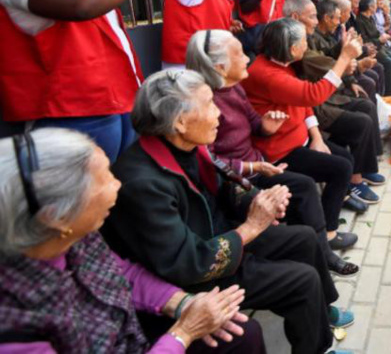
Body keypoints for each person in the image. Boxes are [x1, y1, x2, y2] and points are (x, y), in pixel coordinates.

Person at [103, 69, 354, 354]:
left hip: (217, 238)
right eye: (209, 105)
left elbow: (226, 187)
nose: (218, 115)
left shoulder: (185, 146)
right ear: (181, 122)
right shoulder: (142, 184)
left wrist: (259, 201)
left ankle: (322, 314)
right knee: (302, 281)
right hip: (195, 275)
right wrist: (250, 228)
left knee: (304, 238)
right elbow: (187, 263)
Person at [0, 128, 264, 353]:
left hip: (129, 330)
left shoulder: (74, 236)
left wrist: (183, 303)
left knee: (242, 332)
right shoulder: (16, 327)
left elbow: (119, 271)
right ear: (55, 216)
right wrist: (182, 334)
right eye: (103, 179)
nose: (117, 184)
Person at [185, 30, 360, 277]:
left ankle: (318, 249)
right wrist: (253, 167)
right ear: (220, 67)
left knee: (313, 183)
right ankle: (319, 252)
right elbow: (209, 160)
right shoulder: (212, 100)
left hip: (260, 163)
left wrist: (265, 125)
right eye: (240, 54)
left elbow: (256, 121)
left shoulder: (234, 87)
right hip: (240, 177)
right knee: (305, 187)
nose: (247, 58)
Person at [0, 0, 159, 162]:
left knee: (117, 188)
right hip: (74, 113)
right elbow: (80, 8)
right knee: (84, 197)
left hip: (115, 103)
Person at [242, 17, 375, 220]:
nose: (308, 43)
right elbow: (313, 94)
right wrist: (344, 58)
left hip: (299, 138)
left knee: (344, 158)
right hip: (281, 150)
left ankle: (340, 199)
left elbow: (303, 102)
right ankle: (329, 230)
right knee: (341, 167)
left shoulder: (282, 64)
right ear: (294, 49)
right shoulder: (268, 75)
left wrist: (317, 137)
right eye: (304, 41)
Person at [284, 0, 385, 203]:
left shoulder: (304, 37)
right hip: (316, 102)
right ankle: (355, 182)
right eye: (312, 16)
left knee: (364, 106)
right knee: (361, 120)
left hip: (322, 97)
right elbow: (318, 63)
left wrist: (344, 52)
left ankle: (361, 171)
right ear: (295, 17)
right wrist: (346, 59)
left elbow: (326, 57)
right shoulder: (292, 41)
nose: (316, 20)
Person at [355, 0, 391, 95]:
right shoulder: (360, 21)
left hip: (380, 45)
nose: (379, 6)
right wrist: (379, 40)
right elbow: (365, 41)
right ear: (370, 7)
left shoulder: (370, 18)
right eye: (375, 4)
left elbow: (377, 32)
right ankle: (389, 92)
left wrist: (383, 38)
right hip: (372, 49)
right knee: (390, 62)